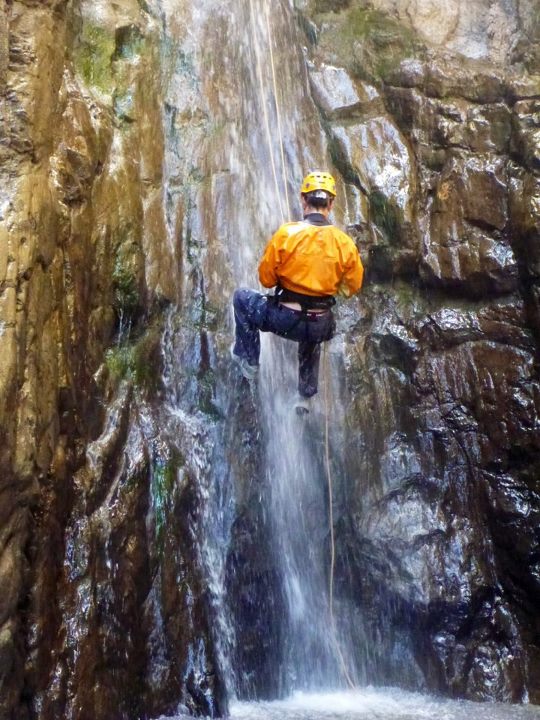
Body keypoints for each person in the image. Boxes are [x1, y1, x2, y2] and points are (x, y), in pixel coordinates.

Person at [232, 171, 364, 412]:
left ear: (304, 200)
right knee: (312, 332)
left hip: (285, 319)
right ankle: (305, 394)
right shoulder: (344, 243)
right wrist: (329, 287)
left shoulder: (287, 234)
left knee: (242, 298)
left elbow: (266, 279)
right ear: (331, 204)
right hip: (320, 324)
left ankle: (249, 361)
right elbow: (352, 287)